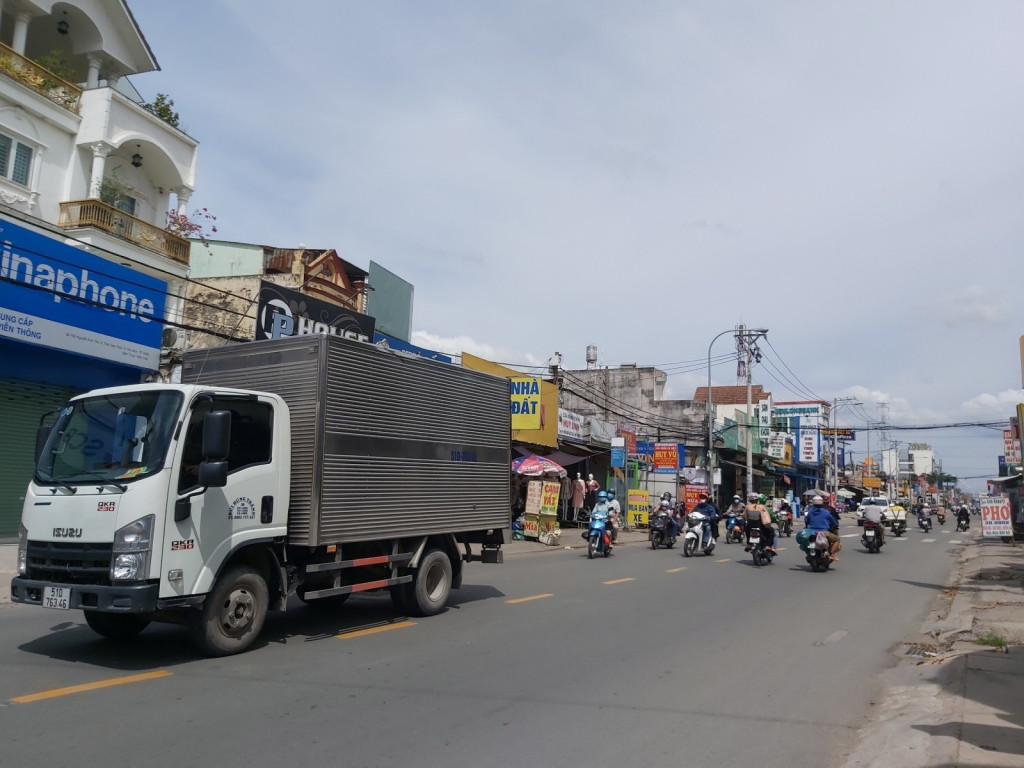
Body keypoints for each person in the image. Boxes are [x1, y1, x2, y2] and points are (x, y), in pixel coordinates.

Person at [805, 495, 840, 561]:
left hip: (811, 532)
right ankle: (832, 555)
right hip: (824, 532)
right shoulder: (826, 512)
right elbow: (833, 521)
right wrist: (835, 526)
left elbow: (807, 521)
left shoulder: (810, 512)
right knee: (837, 540)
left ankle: (808, 554)